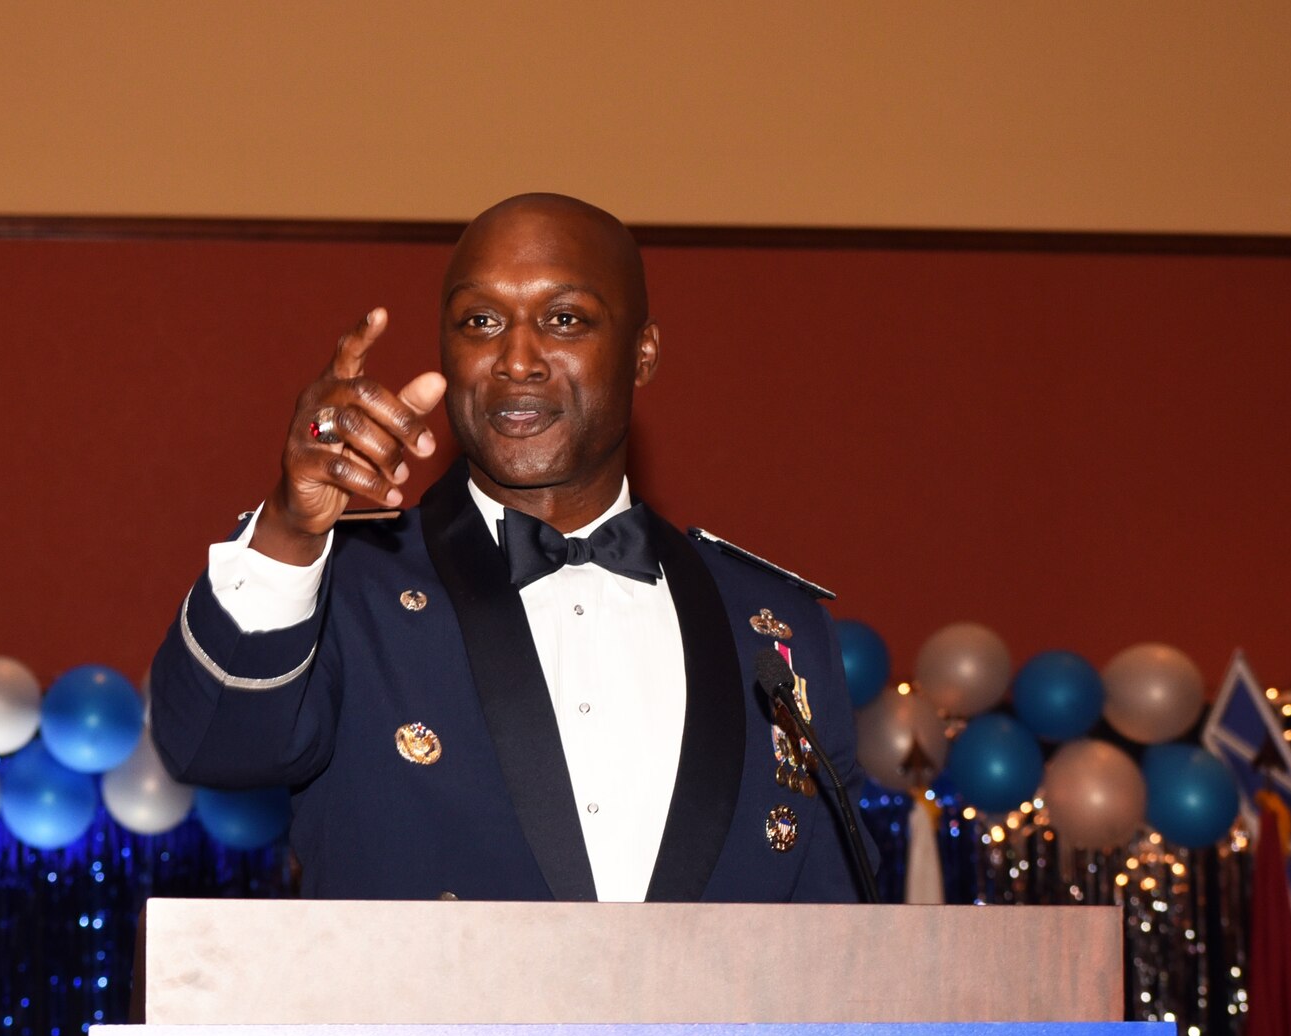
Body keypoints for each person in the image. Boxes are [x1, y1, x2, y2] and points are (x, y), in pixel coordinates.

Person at [149, 193, 874, 902]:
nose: (516, 358)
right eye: (480, 320)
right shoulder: (344, 587)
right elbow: (208, 742)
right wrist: (287, 525)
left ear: (643, 353)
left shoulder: (772, 627)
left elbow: (845, 956)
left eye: (565, 319)